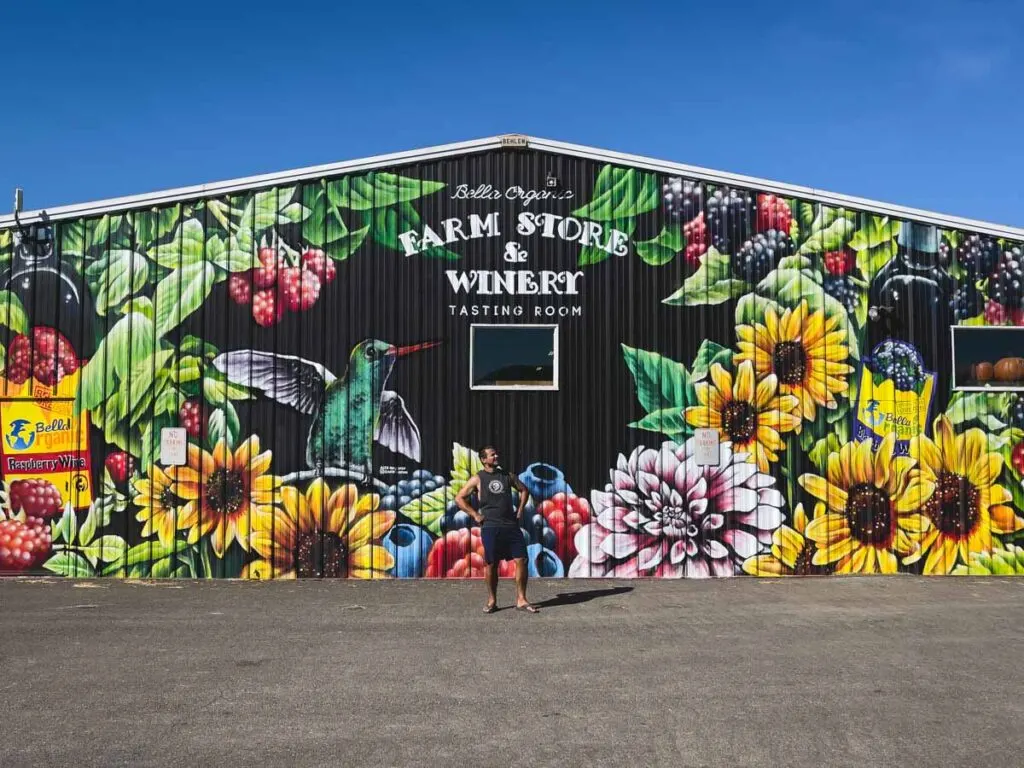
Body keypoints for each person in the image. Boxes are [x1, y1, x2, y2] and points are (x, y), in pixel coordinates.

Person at [455, 446, 539, 614]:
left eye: (496, 454)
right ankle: (492, 600)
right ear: (484, 460)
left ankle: (521, 600)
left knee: (521, 559)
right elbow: (459, 498)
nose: (496, 456)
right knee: (491, 563)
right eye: (492, 455)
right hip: (491, 526)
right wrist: (475, 515)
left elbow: (524, 490)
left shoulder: (507, 475)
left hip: (510, 526)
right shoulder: (478, 478)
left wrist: (520, 510)